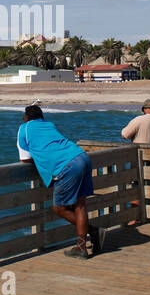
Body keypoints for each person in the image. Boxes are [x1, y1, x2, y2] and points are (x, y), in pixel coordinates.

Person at [16, 104, 100, 258]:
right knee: (80, 205)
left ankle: (92, 233)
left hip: (67, 166)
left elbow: (25, 159)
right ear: (42, 117)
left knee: (59, 208)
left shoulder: (24, 129)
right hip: (82, 157)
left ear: (26, 118)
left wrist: (43, 161)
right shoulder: (49, 125)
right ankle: (84, 243)